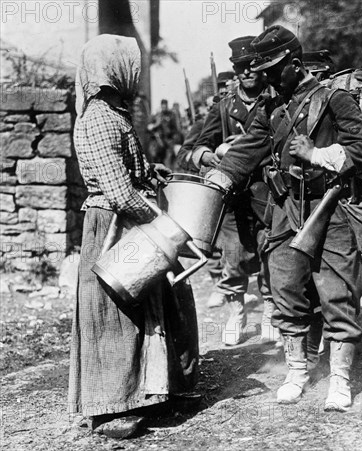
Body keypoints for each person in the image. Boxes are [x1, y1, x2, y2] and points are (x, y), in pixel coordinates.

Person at [206, 25, 362, 411]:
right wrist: (218, 177)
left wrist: (318, 155)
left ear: (296, 64)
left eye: (271, 70)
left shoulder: (334, 99)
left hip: (331, 209)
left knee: (338, 294)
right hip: (285, 210)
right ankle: (298, 371)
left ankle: (339, 379)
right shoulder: (272, 108)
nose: (264, 77)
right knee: (285, 291)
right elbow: (246, 150)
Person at [69, 34, 198, 439]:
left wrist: (150, 173)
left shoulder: (112, 112)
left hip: (122, 220)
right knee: (115, 314)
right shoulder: (102, 118)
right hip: (112, 225)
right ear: (114, 69)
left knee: (145, 306)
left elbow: (127, 175)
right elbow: (119, 191)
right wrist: (161, 222)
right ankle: (110, 409)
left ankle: (150, 391)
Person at [176, 36, 278, 346]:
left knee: (270, 251)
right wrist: (214, 154)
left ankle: (270, 312)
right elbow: (189, 150)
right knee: (233, 256)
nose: (247, 72)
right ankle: (237, 312)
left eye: (252, 66)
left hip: (269, 191)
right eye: (241, 68)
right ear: (234, 71)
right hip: (233, 197)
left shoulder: (275, 101)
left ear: (262, 68)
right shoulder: (223, 107)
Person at [147, 99, 181, 168]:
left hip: (169, 141)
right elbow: (149, 127)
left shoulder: (171, 116)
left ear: (167, 105)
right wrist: (155, 125)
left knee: (168, 162)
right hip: (159, 142)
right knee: (157, 160)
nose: (164, 107)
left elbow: (176, 129)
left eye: (165, 105)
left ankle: (169, 176)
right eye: (162, 105)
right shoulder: (158, 116)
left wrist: (173, 140)